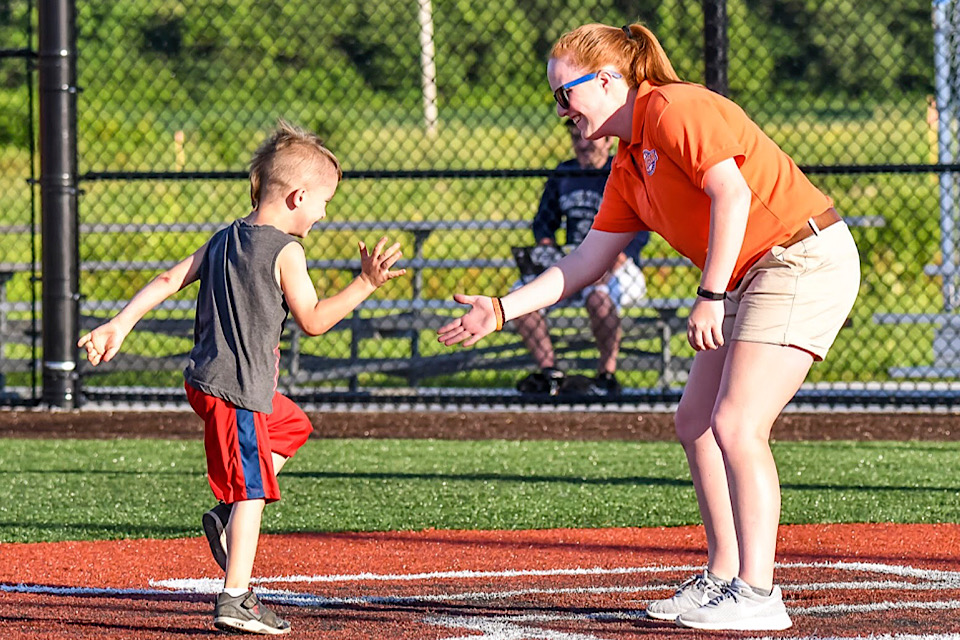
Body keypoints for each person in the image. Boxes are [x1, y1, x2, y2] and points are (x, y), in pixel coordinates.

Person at [438, 22, 859, 632]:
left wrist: (710, 294)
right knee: (695, 422)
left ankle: (760, 593)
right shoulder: (631, 162)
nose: (560, 109)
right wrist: (503, 309)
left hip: (799, 257)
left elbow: (731, 195)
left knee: (737, 424)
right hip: (752, 270)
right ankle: (722, 576)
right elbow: (585, 262)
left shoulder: (670, 105)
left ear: (609, 80)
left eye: (566, 93)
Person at [78, 120, 406, 635]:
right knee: (253, 491)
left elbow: (168, 279)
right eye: (324, 201)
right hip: (238, 392)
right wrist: (365, 284)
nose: (325, 212)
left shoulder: (224, 237)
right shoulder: (287, 251)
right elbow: (314, 321)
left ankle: (226, 514)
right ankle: (236, 598)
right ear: (298, 196)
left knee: (293, 425)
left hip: (210, 383)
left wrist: (120, 322)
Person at [514, 118, 649, 396]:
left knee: (599, 297)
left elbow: (641, 225)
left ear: (609, 140)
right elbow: (544, 223)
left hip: (619, 263)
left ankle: (606, 376)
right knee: (520, 297)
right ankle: (551, 374)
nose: (582, 143)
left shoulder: (621, 169)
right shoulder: (564, 173)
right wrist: (547, 250)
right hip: (575, 260)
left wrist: (615, 260)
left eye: (589, 137)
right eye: (576, 137)